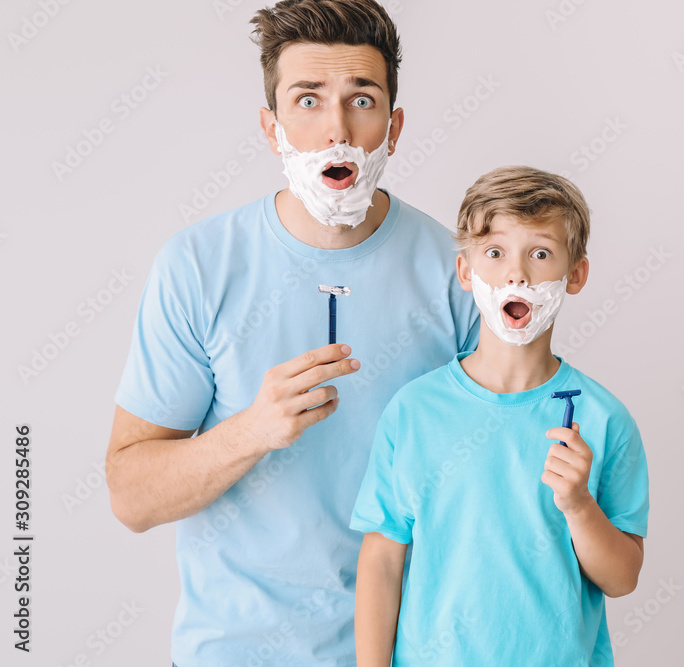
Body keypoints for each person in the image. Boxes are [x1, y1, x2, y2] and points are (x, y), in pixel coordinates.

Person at [105, 1, 479, 664]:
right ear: (270, 127)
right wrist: (251, 430)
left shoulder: (463, 274)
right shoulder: (198, 266)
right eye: (307, 101)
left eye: (361, 100)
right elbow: (131, 496)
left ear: (392, 127)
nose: (336, 129)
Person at [352, 166, 649, 666]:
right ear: (466, 271)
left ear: (575, 274)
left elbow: (622, 580)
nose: (517, 274)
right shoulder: (414, 411)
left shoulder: (603, 418)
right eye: (494, 253)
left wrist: (578, 505)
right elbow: (382, 560)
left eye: (540, 253)